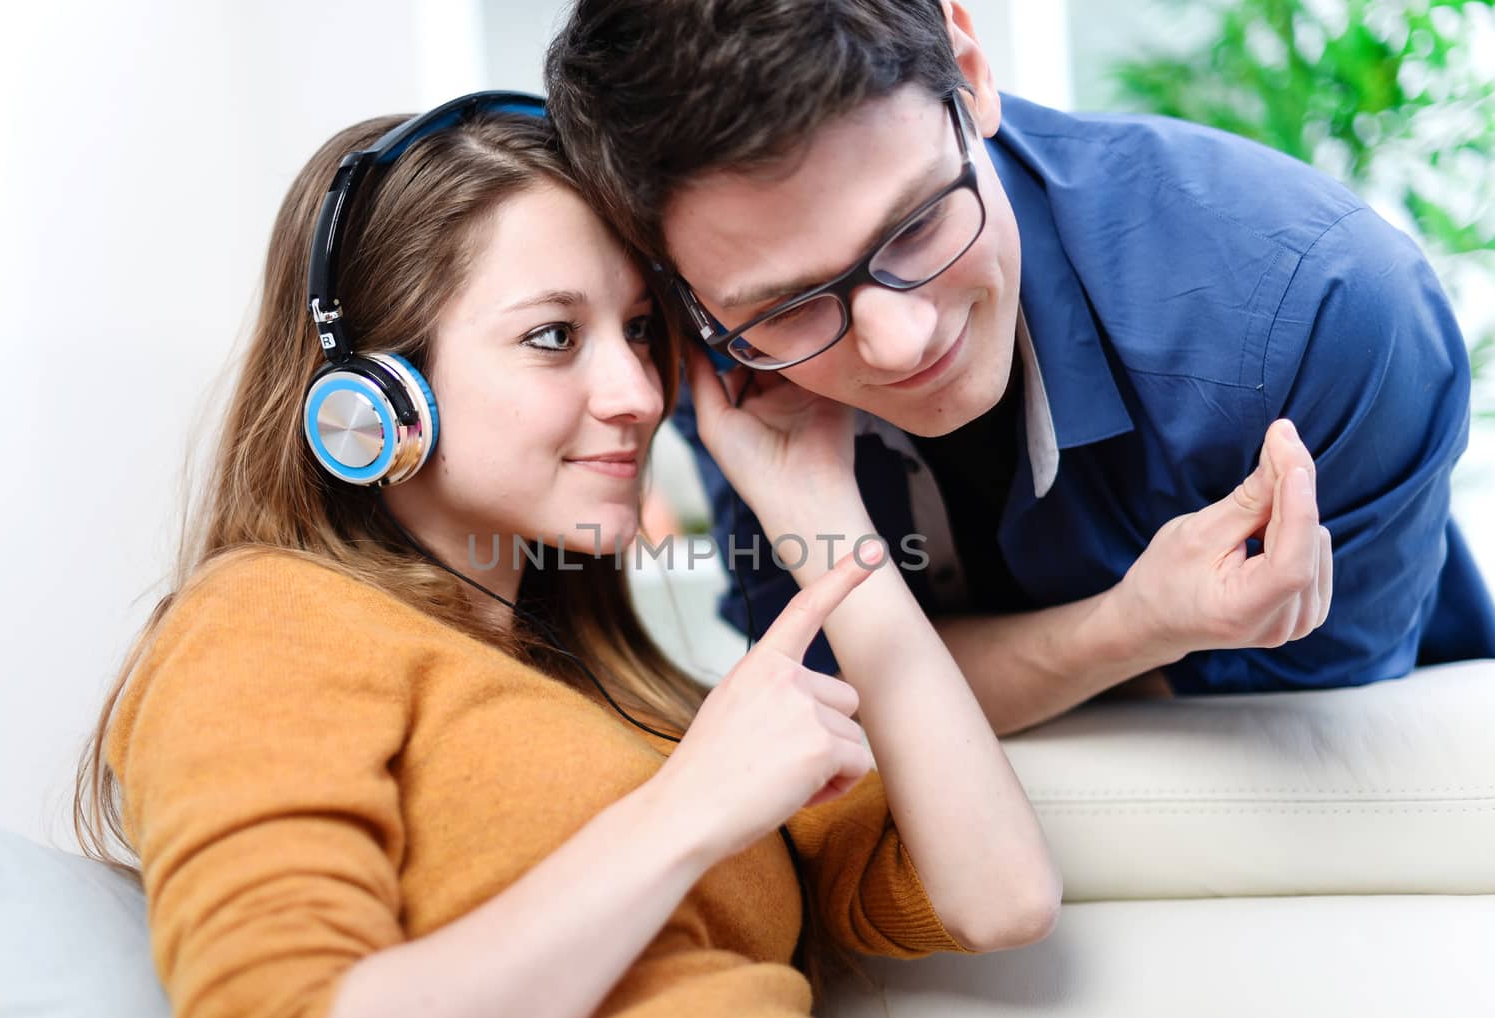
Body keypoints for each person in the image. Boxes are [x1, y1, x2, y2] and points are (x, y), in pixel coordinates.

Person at [72, 97, 1060, 1018]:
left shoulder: (631, 700)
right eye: (552, 336)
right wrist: (691, 811)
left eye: (639, 330)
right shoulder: (269, 621)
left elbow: (998, 897)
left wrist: (822, 514)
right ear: (374, 392)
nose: (636, 391)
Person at [544, 0, 1495, 734]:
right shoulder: (720, 353)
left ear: (968, 69)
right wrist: (1134, 628)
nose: (897, 343)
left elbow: (1310, 728)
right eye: (790, 306)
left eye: (916, 223)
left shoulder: (1322, 311)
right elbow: (822, 696)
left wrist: (938, 669)